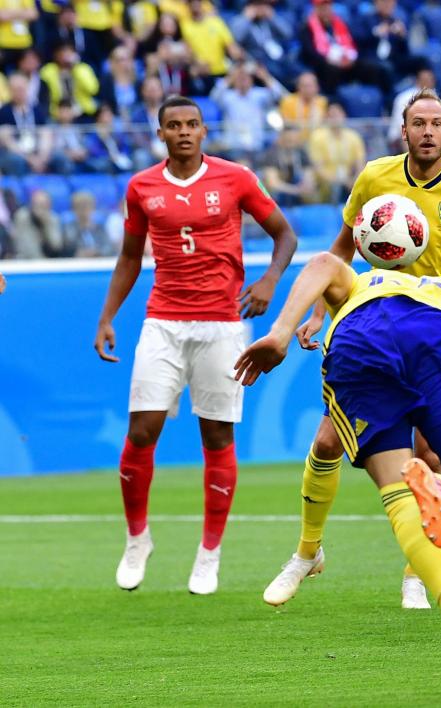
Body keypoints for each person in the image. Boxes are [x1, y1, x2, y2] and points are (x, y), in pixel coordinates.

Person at [261, 88, 441, 611]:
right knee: (330, 442)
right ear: (403, 130)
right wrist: (316, 311)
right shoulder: (375, 178)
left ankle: (416, 573)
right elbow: (338, 251)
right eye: (417, 123)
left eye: (436, 124)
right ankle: (308, 552)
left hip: (436, 336)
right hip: (374, 326)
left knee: (427, 455)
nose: (427, 131)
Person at [234, 258, 441, 699]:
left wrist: (281, 334)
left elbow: (323, 262)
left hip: (364, 339)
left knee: (399, 493)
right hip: (439, 339)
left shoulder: (361, 281)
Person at [94, 95, 298, 596]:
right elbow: (127, 258)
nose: (184, 131)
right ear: (160, 134)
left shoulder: (236, 178)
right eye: (173, 125)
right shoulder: (141, 186)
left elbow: (284, 235)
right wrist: (106, 317)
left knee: (217, 440)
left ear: (205, 131)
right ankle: (137, 538)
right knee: (142, 430)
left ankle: (210, 553)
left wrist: (271, 280)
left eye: (192, 124)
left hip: (222, 326)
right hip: (162, 321)